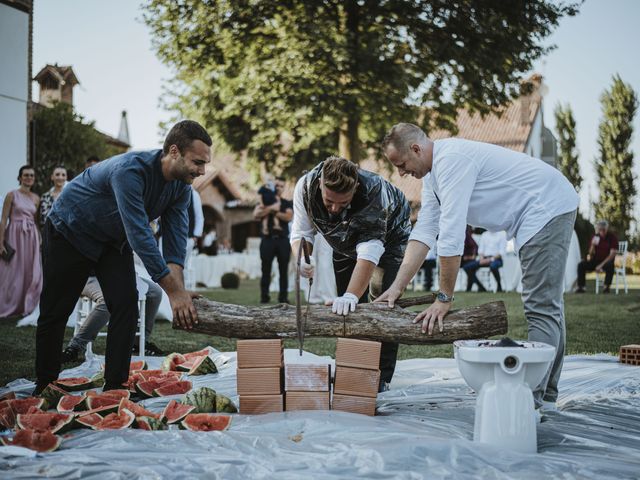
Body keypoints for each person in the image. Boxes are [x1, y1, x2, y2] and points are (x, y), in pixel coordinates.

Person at [377, 123, 579, 411]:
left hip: (545, 206)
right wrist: (395, 288)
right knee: (549, 307)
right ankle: (546, 398)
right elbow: (424, 234)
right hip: (538, 210)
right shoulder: (433, 177)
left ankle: (531, 405)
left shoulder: (452, 161)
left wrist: (444, 298)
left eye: (401, 164)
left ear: (416, 149)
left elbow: (451, 234)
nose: (401, 173)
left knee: (541, 307)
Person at [34, 120, 211, 394]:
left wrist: (180, 292)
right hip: (70, 230)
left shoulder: (181, 187)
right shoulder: (130, 171)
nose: (202, 171)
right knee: (56, 310)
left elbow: (175, 243)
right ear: (174, 151)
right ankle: (44, 383)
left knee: (126, 303)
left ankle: (115, 384)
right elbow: (140, 235)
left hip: (111, 241)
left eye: (204, 163)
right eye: (198, 162)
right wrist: (173, 293)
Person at [291, 156, 411, 390]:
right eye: (329, 202)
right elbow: (301, 232)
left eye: (343, 203)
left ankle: (381, 377)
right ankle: (352, 367)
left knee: (383, 302)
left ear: (355, 188)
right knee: (344, 309)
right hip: (342, 241)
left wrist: (352, 295)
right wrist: (304, 259)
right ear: (321, 185)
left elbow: (370, 251)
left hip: (390, 239)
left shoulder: (375, 194)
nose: (335, 209)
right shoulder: (304, 187)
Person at [61, 273, 164, 362]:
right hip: (90, 275)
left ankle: (137, 342)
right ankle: (75, 347)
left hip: (120, 274)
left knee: (155, 292)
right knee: (108, 301)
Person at [0, 166, 42, 318]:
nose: (29, 177)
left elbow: (36, 221)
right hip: (14, 234)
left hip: (31, 236)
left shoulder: (36, 198)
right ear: (20, 178)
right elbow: (4, 219)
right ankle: (8, 304)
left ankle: (27, 304)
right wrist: (0, 241)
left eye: (31, 175)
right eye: (25, 175)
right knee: (11, 271)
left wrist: (39, 237)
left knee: (29, 270)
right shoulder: (11, 195)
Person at [253, 177, 293, 303]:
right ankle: (264, 296)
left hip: (282, 240)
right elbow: (256, 215)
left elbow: (288, 216)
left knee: (283, 270)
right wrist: (272, 208)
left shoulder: (286, 203)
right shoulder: (264, 199)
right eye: (277, 185)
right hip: (267, 239)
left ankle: (283, 297)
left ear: (284, 188)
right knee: (265, 269)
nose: (279, 188)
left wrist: (271, 212)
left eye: (281, 186)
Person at [576, 220, 618, 293]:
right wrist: (592, 245)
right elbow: (590, 253)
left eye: (603, 229)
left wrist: (601, 265)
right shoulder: (596, 237)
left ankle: (606, 287)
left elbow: (612, 254)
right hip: (596, 260)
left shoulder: (612, 237)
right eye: (599, 229)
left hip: (607, 261)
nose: (601, 231)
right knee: (581, 265)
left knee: (610, 266)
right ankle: (581, 287)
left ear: (606, 228)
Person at [460, 225, 484, 292]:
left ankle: (472, 288)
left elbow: (475, 246)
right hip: (461, 259)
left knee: (468, 268)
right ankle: (477, 287)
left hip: (466, 259)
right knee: (469, 269)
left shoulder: (466, 235)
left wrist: (473, 256)